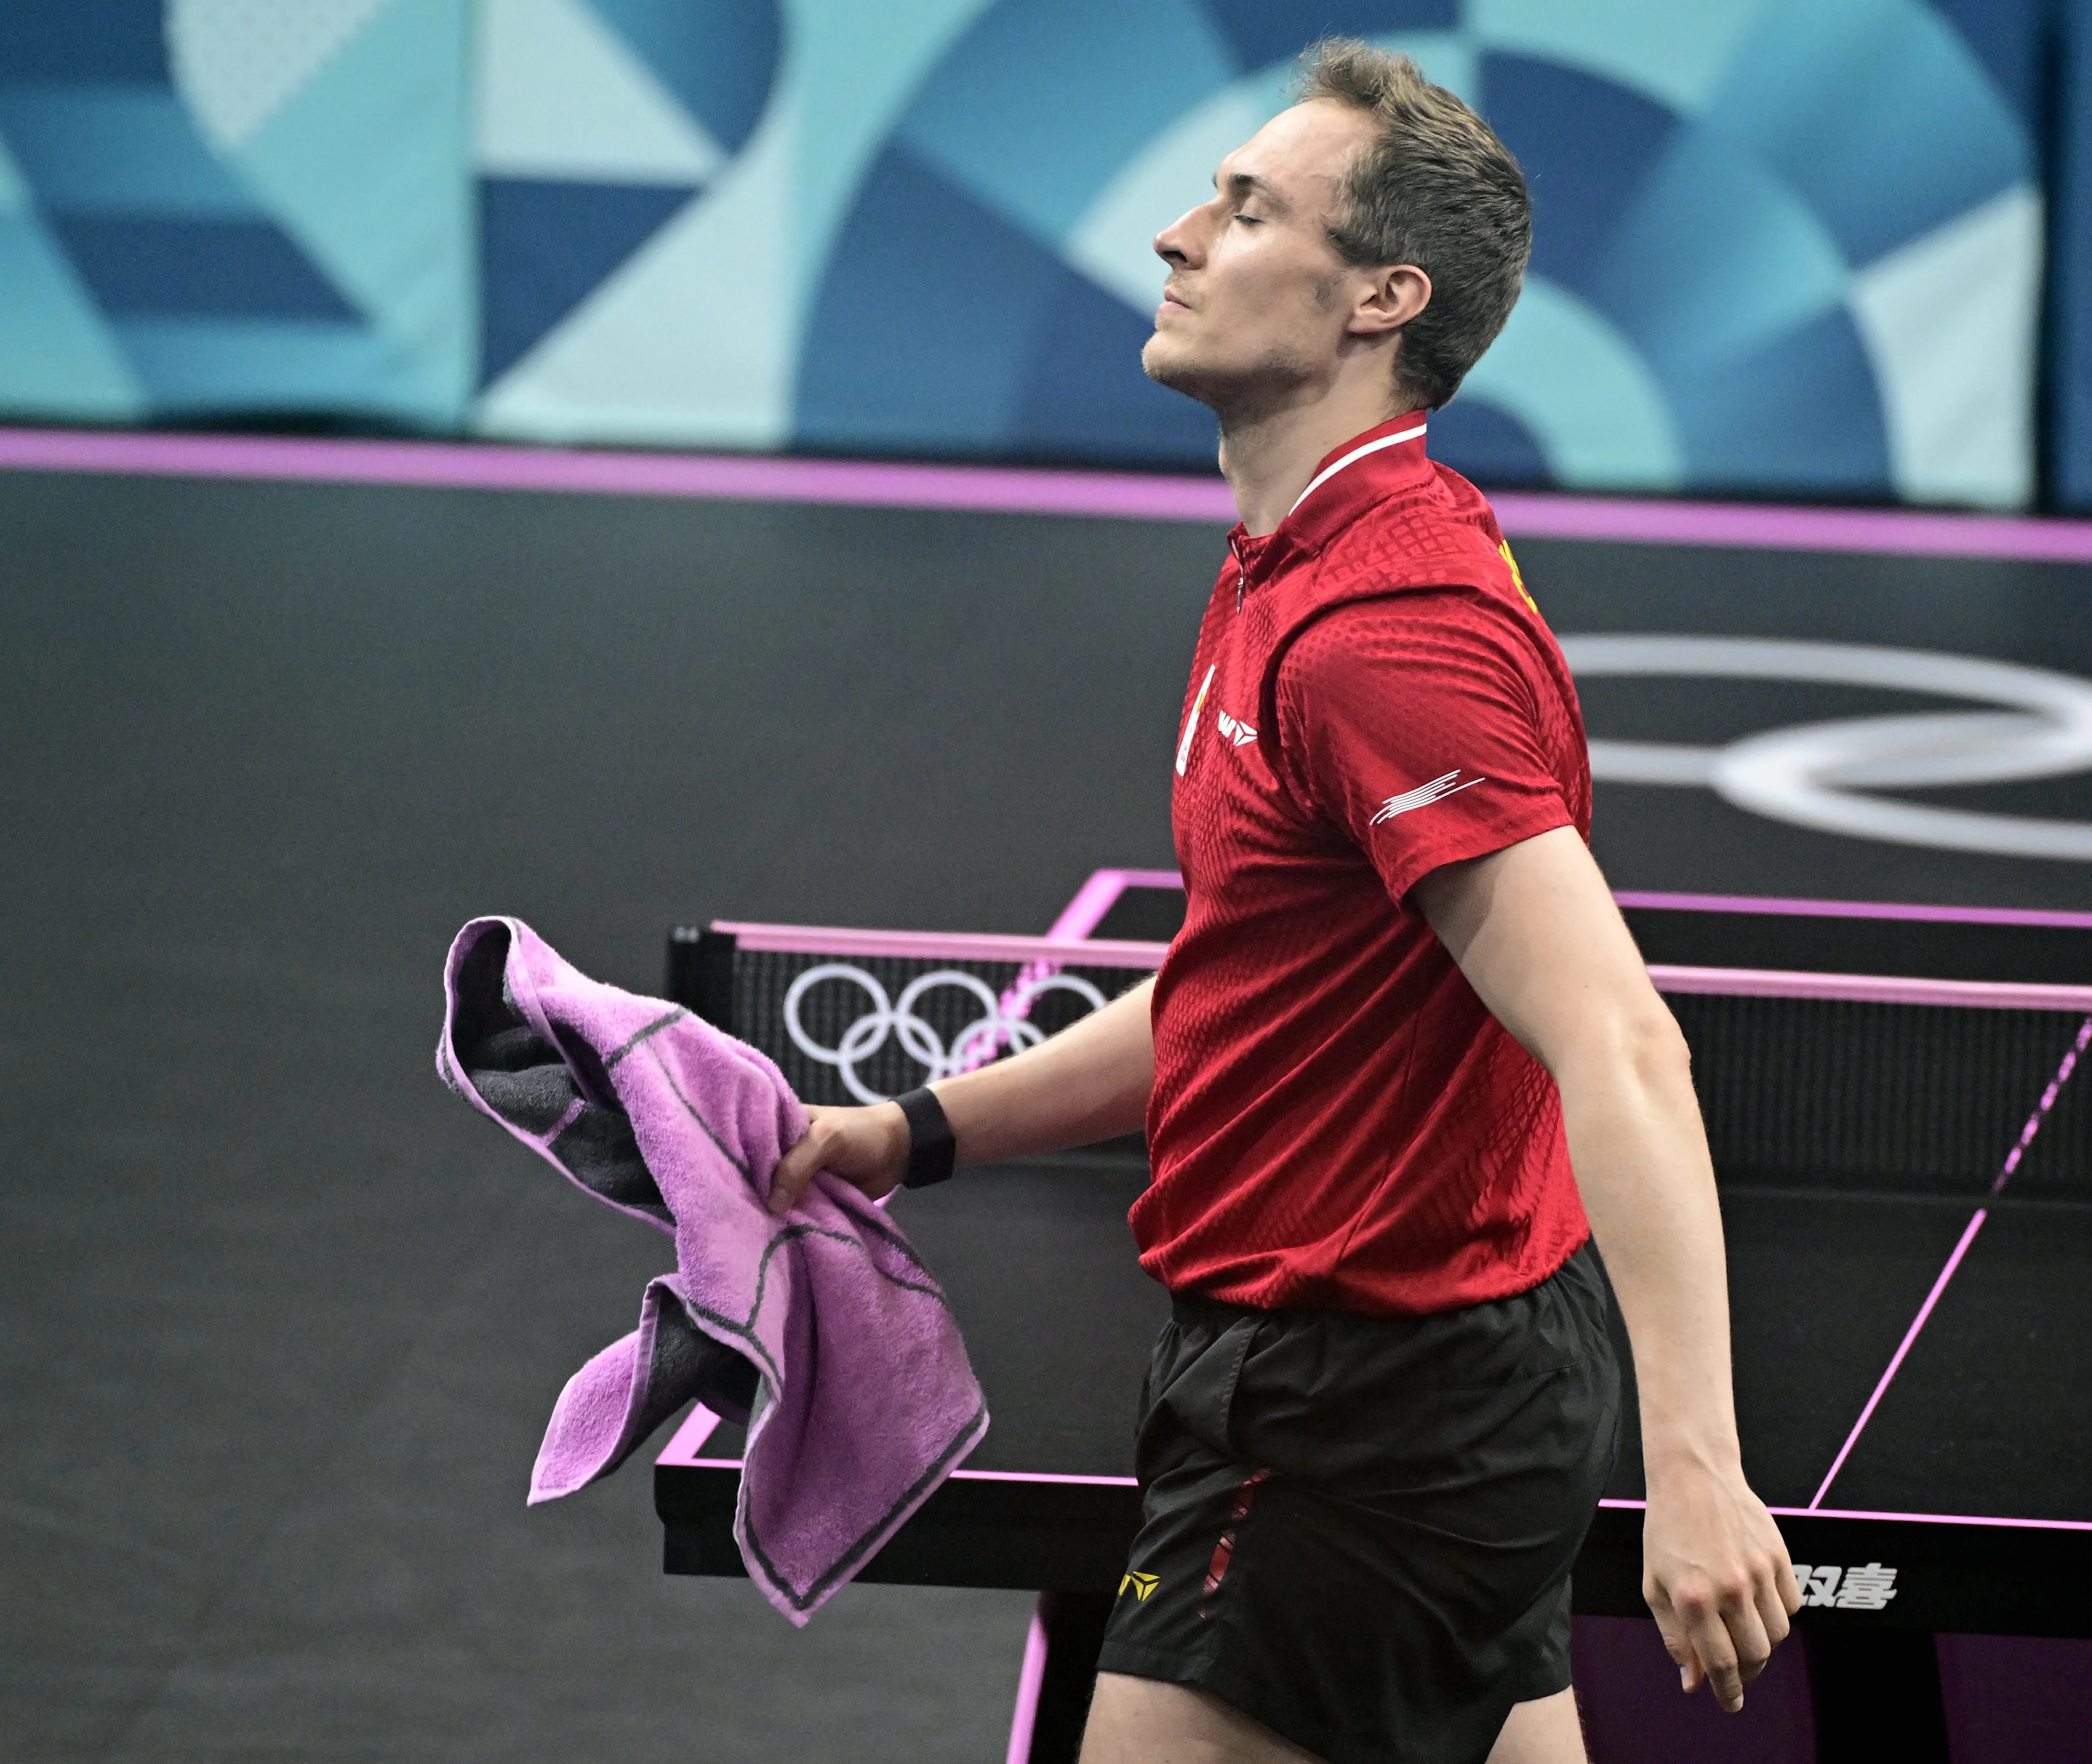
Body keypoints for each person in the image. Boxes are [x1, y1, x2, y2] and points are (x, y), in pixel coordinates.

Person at [769, 38, 1797, 1764]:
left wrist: (1699, 1468)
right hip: (1430, 1380)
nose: (1176, 235)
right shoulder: (1289, 569)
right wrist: (910, 1134)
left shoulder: (1384, 634)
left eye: (1247, 210)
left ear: (1380, 296)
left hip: (1357, 1405)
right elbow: (1243, 994)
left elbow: (1621, 1038)